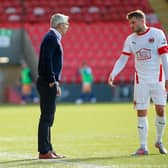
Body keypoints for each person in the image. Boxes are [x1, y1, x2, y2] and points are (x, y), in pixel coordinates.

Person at [108, 10, 168, 155]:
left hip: (158, 79)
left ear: (142, 21)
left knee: (160, 110)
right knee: (141, 112)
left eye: (133, 22)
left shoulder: (157, 34)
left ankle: (159, 141)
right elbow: (123, 59)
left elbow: (165, 56)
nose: (131, 25)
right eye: (130, 23)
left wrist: (167, 78)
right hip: (141, 81)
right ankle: (143, 147)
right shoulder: (130, 39)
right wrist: (113, 73)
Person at [36, 13, 69, 159]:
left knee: (49, 117)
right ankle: (44, 151)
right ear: (59, 25)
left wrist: (56, 82)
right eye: (66, 24)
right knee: (46, 116)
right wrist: (52, 80)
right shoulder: (51, 38)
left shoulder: (52, 37)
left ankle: (48, 148)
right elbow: (46, 60)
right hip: (47, 82)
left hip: (49, 82)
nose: (67, 27)